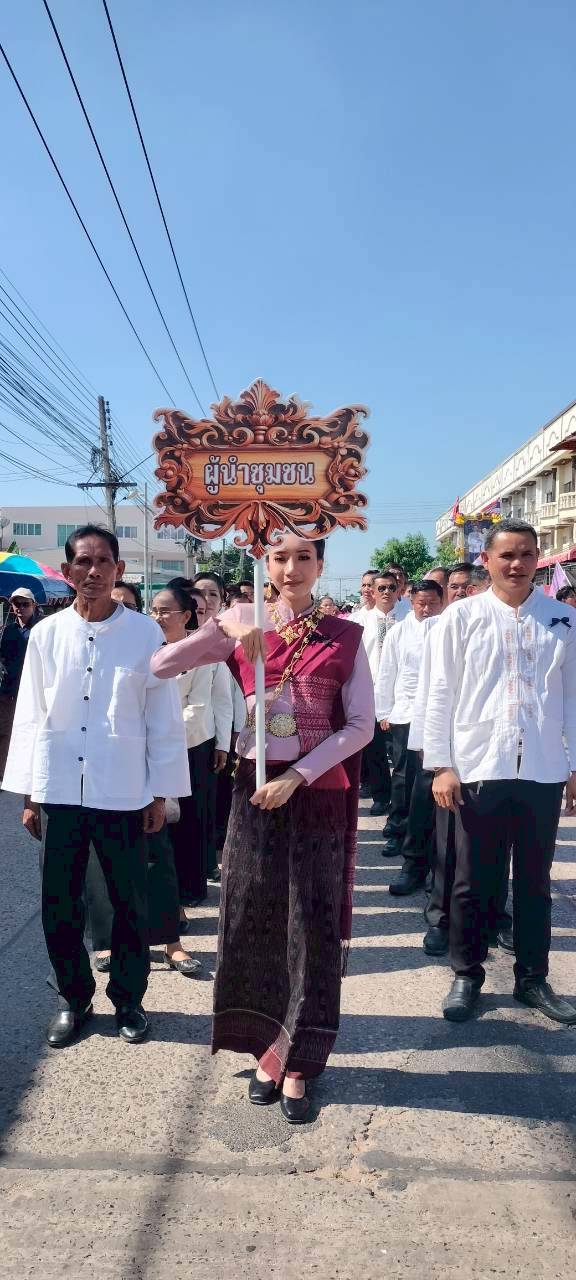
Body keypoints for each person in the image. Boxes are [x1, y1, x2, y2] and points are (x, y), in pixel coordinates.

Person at [151, 534, 374, 1123]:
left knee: (312, 923)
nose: (291, 568)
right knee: (253, 916)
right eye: (279, 557)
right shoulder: (245, 621)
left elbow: (360, 725)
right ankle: (267, 1048)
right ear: (264, 564)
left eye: (304, 557)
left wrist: (297, 776)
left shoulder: (346, 636)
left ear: (321, 565)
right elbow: (161, 665)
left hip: (314, 790)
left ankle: (300, 1060)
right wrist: (226, 626)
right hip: (252, 792)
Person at [2, 525, 190, 1048]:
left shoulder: (144, 634)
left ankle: (128, 999)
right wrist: (29, 793)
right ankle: (73, 997)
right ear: (67, 571)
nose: (93, 571)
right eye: (82, 562)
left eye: (103, 561)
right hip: (60, 787)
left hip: (123, 788)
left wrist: (160, 792)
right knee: (59, 902)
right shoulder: (46, 634)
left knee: (129, 900)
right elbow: (31, 714)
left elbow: (162, 717)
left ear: (118, 570)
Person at [424, 519, 576, 1024]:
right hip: (478, 765)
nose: (517, 564)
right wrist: (442, 764)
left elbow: (572, 699)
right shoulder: (462, 616)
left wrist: (574, 765)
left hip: (543, 768)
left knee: (534, 881)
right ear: (486, 560)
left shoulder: (562, 619)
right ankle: (467, 974)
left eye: (527, 554)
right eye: (506, 555)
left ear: (539, 559)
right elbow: (440, 692)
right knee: (472, 880)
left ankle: (532, 979)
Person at [87, 580, 203, 979]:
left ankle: (171, 942)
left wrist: (161, 786)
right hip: (95, 774)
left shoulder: (147, 645)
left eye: (126, 604)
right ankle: (106, 941)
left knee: (157, 857)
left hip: (142, 773)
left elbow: (164, 720)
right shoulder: (85, 643)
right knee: (99, 863)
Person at [165, 584, 233, 905]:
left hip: (194, 741)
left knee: (193, 817)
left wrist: (224, 742)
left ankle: (193, 884)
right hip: (159, 743)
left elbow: (217, 700)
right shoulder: (152, 645)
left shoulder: (210, 648)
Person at [376, 580, 444, 874]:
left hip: (438, 715)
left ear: (442, 602)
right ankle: (398, 829)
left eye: (432, 603)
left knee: (431, 779)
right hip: (405, 714)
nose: (427, 609)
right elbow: (387, 672)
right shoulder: (399, 632)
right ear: (411, 603)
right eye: (421, 604)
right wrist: (384, 711)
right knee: (404, 775)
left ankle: (430, 841)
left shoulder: (449, 629)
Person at [361, 572, 405, 816]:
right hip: (370, 694)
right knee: (375, 750)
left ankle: (400, 803)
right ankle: (381, 797)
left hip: (402, 696)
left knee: (399, 753)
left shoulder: (408, 618)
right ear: (373, 592)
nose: (386, 592)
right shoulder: (361, 621)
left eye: (391, 587)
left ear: (399, 590)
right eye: (381, 588)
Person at [0, 587, 42, 779]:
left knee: (32, 733)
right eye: (17, 604)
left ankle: (31, 773)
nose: (20, 608)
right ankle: (4, 775)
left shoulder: (41, 629)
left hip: (34, 691)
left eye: (25, 604)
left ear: (34, 605)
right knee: (5, 732)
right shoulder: (8, 630)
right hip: (10, 691)